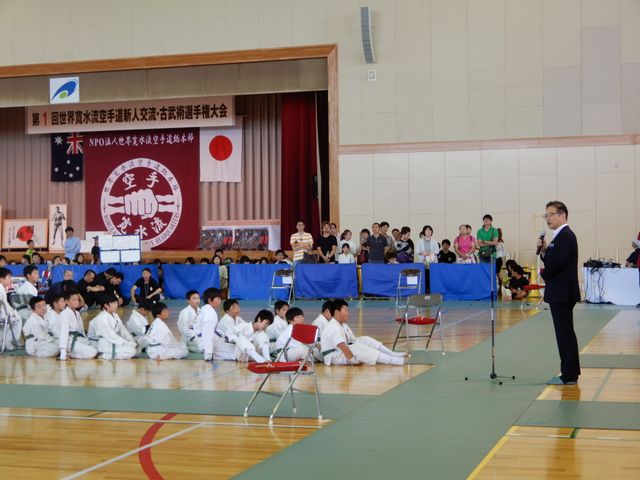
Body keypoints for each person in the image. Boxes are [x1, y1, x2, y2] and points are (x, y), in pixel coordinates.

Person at [537, 201, 581, 386]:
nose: (548, 218)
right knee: (564, 333)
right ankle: (570, 372)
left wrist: (543, 273)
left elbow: (557, 264)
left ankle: (569, 374)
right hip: (560, 291)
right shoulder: (559, 237)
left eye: (551, 214)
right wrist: (545, 249)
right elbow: (552, 259)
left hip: (562, 291)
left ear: (562, 215)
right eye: (546, 215)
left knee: (564, 334)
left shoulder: (566, 236)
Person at [320, 299, 407, 366]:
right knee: (357, 348)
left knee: (365, 340)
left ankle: (391, 354)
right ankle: (393, 360)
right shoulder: (333, 327)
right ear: (336, 312)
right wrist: (353, 361)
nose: (348, 313)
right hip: (333, 356)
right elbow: (343, 347)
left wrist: (361, 344)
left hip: (341, 351)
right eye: (345, 310)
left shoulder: (342, 325)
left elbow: (352, 340)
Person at [88, 294, 137, 360]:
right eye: (114, 303)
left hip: (111, 341)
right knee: (132, 351)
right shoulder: (102, 318)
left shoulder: (115, 315)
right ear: (106, 305)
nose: (116, 305)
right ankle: (105, 355)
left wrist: (131, 340)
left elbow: (122, 330)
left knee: (134, 348)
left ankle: (108, 354)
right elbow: (110, 335)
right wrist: (126, 343)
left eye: (117, 303)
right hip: (103, 344)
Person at [58, 289, 97, 360]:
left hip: (79, 339)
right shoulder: (64, 314)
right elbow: (63, 333)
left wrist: (86, 340)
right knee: (93, 352)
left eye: (78, 300)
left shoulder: (77, 313)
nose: (77, 302)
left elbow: (81, 331)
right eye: (74, 300)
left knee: (97, 347)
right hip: (69, 341)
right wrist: (63, 351)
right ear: (66, 301)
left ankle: (75, 352)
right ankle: (70, 353)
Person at [0, 267, 22, 350]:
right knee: (17, 319)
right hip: (2, 315)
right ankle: (7, 343)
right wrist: (12, 312)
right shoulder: (0, 289)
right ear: (1, 279)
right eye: (8, 277)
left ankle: (2, 343)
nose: (10, 280)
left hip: (2, 314)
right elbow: (4, 305)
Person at [199, 287, 222, 361]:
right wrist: (208, 353)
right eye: (218, 298)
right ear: (210, 300)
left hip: (203, 342)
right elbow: (207, 333)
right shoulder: (209, 312)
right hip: (204, 344)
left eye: (220, 298)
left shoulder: (207, 309)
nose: (220, 301)